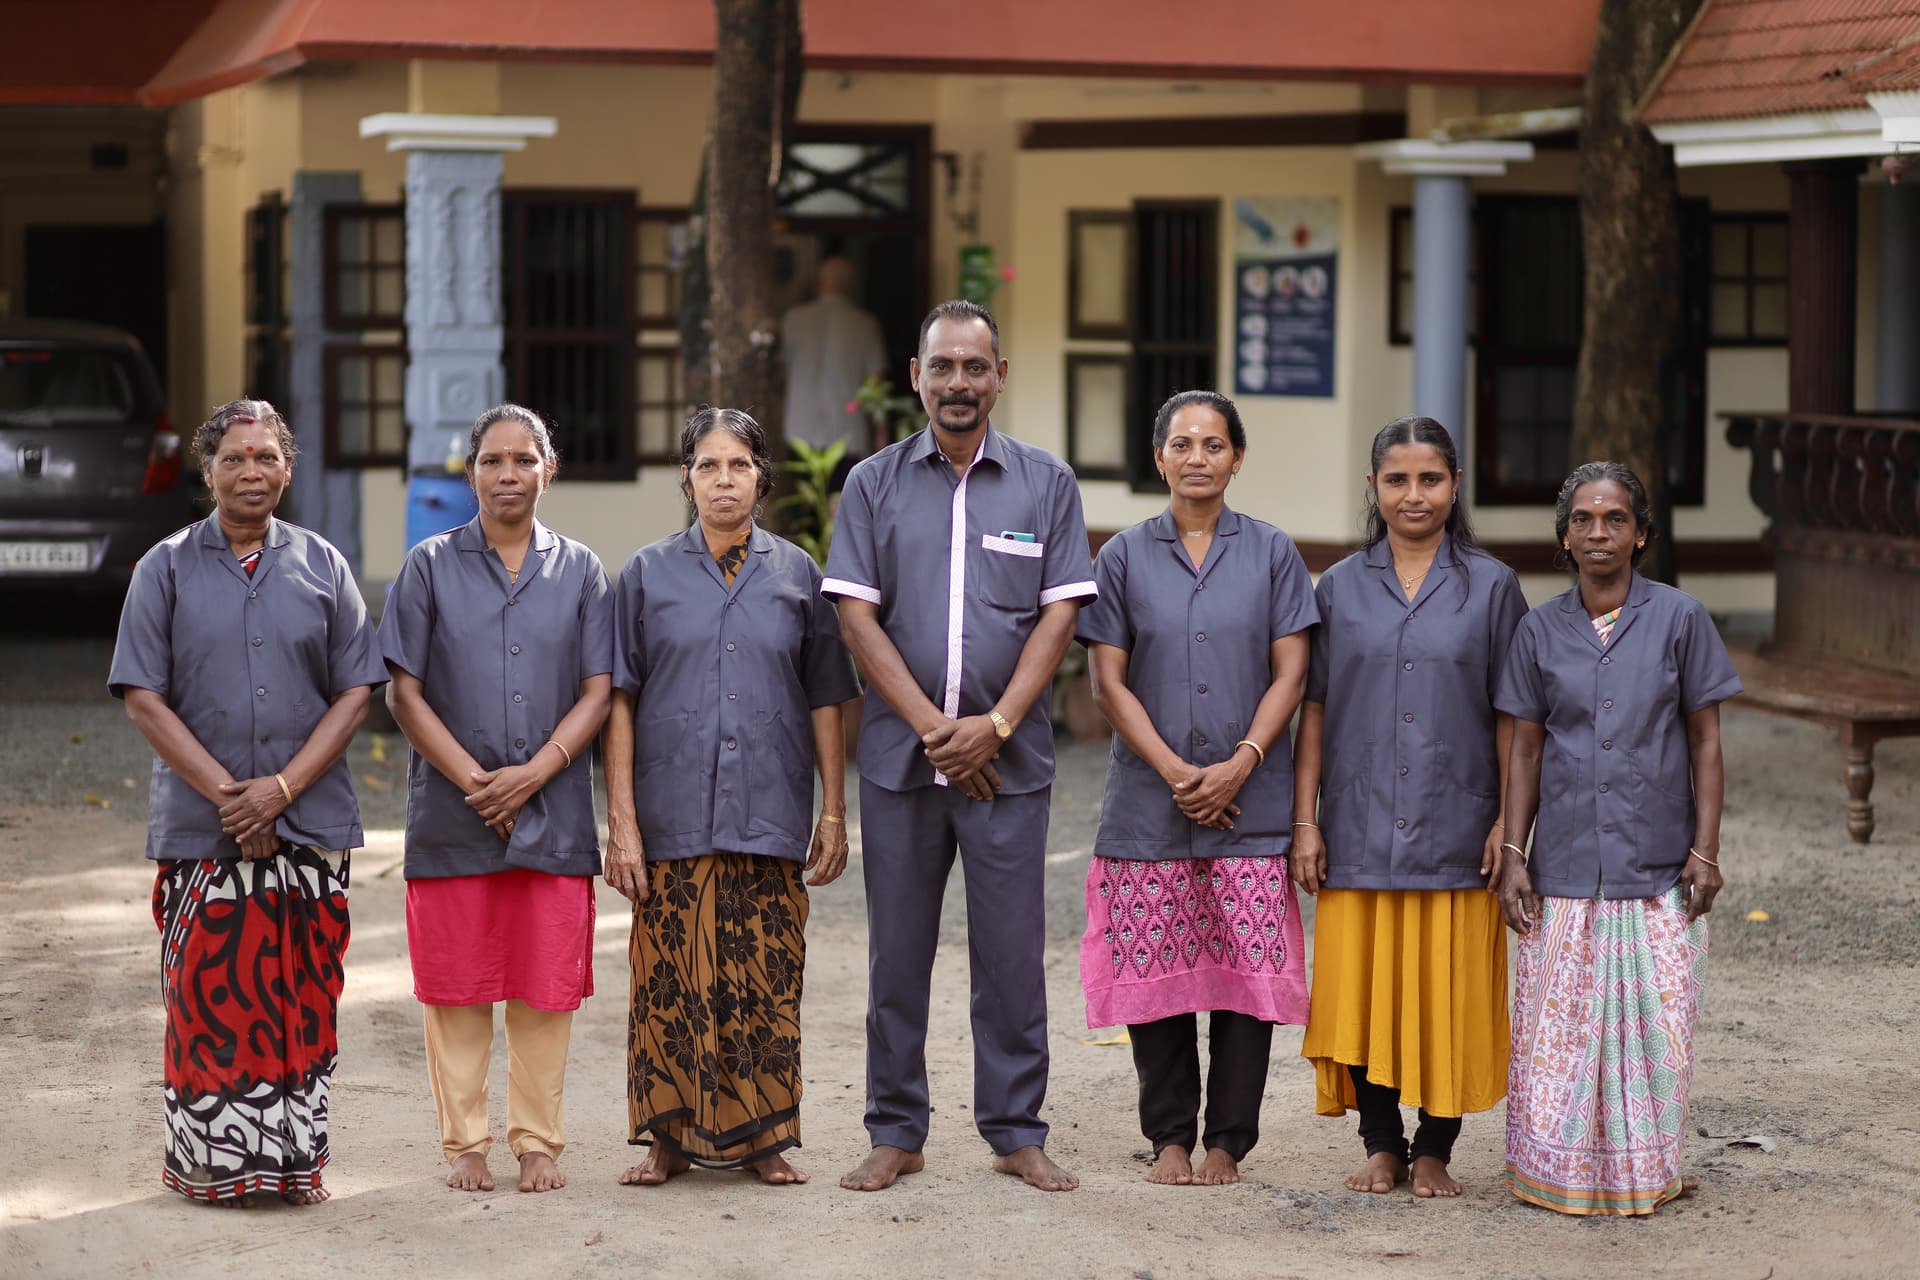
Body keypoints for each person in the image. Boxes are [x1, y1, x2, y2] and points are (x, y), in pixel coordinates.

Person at [823, 299, 1097, 1193]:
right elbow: (856, 616)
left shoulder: (1046, 484)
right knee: (896, 956)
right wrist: (937, 735)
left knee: (1013, 955)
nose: (958, 384)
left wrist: (996, 728)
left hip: (1008, 767)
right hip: (905, 766)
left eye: (975, 368)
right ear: (916, 376)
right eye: (942, 367)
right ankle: (896, 1128)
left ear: (1000, 377)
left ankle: (1016, 1129)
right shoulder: (872, 485)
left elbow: (1060, 614)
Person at [109, 398, 385, 1207]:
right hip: (204, 830)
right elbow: (143, 697)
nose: (252, 471)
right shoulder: (163, 567)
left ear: (287, 468)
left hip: (308, 825)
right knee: (207, 999)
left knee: (303, 996)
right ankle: (212, 1168)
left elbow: (357, 690)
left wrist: (283, 790)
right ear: (208, 471)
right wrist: (233, 799)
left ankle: (296, 1166)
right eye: (235, 458)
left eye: (266, 457)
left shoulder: (324, 566)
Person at [606, 407, 858, 1188]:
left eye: (738, 466)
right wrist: (621, 824)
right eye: (708, 466)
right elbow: (617, 699)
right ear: (686, 477)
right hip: (672, 811)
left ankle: (765, 1139)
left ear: (761, 478)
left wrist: (832, 810)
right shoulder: (645, 575)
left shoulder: (798, 574)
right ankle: (668, 1139)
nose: (723, 480)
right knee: (669, 981)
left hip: (769, 810)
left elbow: (826, 697)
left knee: (765, 978)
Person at [1077, 390, 1316, 1187]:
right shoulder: (1121, 556)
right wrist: (1178, 772)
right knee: (1159, 976)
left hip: (1249, 807)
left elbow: (1293, 671)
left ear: (1237, 459)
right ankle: (1170, 1137)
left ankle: (1228, 1141)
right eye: (1182, 444)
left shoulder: (1275, 553)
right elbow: (1106, 681)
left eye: (1214, 445)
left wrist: (1242, 761)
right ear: (1159, 459)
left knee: (1245, 979)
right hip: (1151, 808)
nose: (1198, 458)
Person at [1493, 461, 1740, 1216]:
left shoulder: (1680, 619)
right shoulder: (1539, 630)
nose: (1599, 533)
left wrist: (1705, 851)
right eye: (1583, 521)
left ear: (1641, 534)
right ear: (1564, 537)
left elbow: (1704, 742)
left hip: (1656, 862)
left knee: (1657, 1029)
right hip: (1565, 864)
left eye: (1615, 520)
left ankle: (1643, 1168)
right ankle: (1558, 1172)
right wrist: (1512, 854)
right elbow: (1526, 749)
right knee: (1559, 1032)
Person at [379, 403, 613, 1196]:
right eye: (491, 460)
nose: (507, 474)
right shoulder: (428, 566)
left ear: (551, 469)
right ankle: (466, 1144)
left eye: (523, 459)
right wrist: (476, 780)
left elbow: (598, 690)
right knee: (457, 984)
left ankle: (539, 1142)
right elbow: (403, 694)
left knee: (546, 984)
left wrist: (535, 772)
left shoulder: (581, 570)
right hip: (454, 810)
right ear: (471, 471)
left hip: (553, 810)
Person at [1293, 417, 1527, 1198]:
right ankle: (1382, 1143)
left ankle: (1435, 1147)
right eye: (1397, 480)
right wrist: (1305, 818)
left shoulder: (1491, 587)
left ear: (1455, 486)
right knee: (1363, 988)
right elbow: (1315, 709)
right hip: (1358, 818)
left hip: (1458, 822)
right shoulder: (1340, 586)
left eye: (1430, 479)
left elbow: (1513, 715)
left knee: (1446, 990)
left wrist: (1507, 822)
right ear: (1374, 489)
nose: (1414, 494)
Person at [782, 256, 888, 461]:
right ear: (850, 285)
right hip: (848, 433)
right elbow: (876, 385)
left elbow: (781, 371)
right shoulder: (865, 324)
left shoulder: (793, 319)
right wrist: (881, 433)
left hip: (799, 431)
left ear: (819, 283)